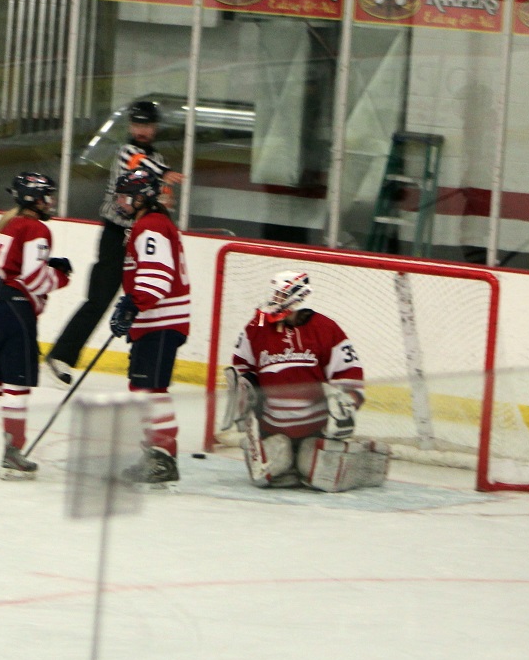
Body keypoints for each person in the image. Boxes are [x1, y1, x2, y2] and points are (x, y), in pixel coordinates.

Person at [45, 99, 183, 386]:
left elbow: (163, 196)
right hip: (116, 235)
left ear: (155, 127)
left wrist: (164, 196)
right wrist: (162, 176)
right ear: (130, 126)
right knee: (99, 298)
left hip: (142, 237)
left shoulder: (157, 159)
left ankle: (143, 357)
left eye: (147, 125)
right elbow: (140, 168)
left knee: (145, 296)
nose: (142, 130)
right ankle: (61, 355)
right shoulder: (128, 152)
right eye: (137, 124)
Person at [225, 271, 390, 491]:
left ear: (297, 298)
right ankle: (287, 463)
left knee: (321, 475)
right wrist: (246, 389)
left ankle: (362, 456)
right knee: (265, 475)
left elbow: (349, 373)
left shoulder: (326, 329)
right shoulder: (256, 328)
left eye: (279, 296)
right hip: (271, 431)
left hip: (316, 431)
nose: (274, 301)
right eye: (274, 295)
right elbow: (241, 367)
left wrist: (346, 402)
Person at [0, 172, 70, 478]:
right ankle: (13, 452)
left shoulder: (4, 225)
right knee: (16, 384)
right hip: (14, 312)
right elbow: (34, 278)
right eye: (46, 196)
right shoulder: (36, 228)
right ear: (33, 198)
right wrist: (60, 276)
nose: (50, 202)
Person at [108, 163, 189, 486]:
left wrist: (133, 304)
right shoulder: (151, 223)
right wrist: (133, 306)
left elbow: (157, 275)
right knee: (144, 390)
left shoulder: (151, 226)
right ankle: (156, 453)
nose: (120, 202)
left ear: (141, 197)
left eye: (125, 197)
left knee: (152, 391)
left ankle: (163, 457)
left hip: (160, 321)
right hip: (157, 321)